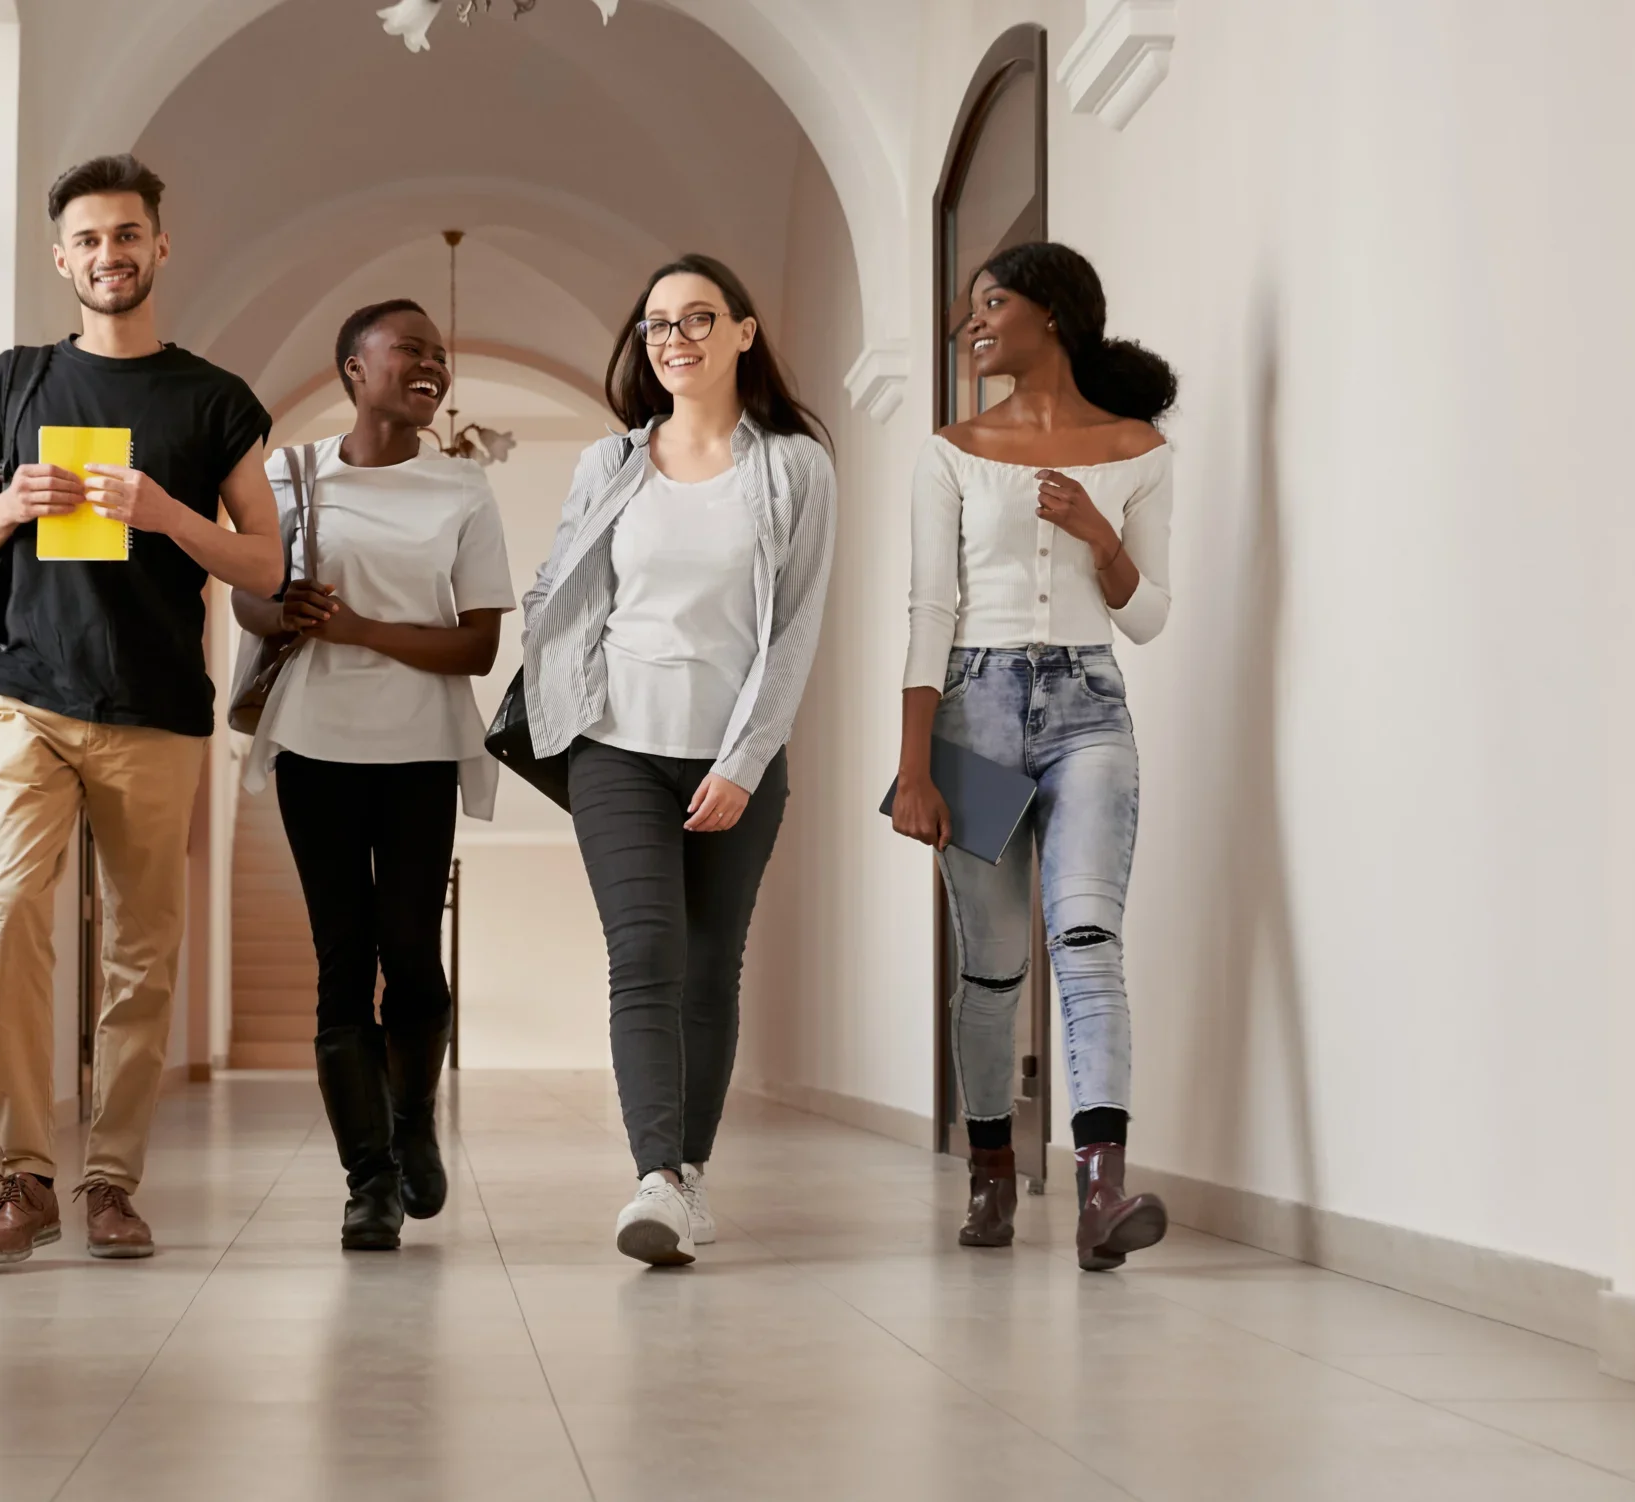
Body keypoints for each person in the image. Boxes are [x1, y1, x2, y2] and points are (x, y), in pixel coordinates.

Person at [0, 155, 283, 1263]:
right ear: (61, 258)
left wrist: (167, 512)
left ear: (158, 247)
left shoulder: (214, 400)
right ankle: (23, 1172)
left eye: (126, 235)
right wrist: (8, 509)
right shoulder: (13, 383)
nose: (108, 255)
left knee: (142, 952)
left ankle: (110, 1183)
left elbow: (266, 567)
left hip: (155, 706)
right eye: (87, 240)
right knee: (6, 903)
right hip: (25, 691)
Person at [523, 255, 837, 1267]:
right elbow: (557, 588)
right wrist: (564, 695)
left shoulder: (791, 466)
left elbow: (793, 630)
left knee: (710, 969)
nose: (675, 339)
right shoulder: (608, 464)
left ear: (744, 332)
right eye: (657, 324)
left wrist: (745, 759)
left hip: (735, 754)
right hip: (616, 745)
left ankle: (690, 1173)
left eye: (698, 318)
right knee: (644, 957)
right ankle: (653, 1176)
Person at [890, 240, 1177, 1272]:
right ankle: (990, 1174)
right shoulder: (950, 449)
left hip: (1090, 705)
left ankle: (1102, 1190)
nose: (974, 322)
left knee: (1090, 942)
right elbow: (928, 608)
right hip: (970, 707)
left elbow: (1146, 617)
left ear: (1047, 312)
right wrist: (914, 766)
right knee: (994, 969)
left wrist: (1101, 535)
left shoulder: (1139, 449)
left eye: (991, 302)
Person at [232, 301, 513, 1251]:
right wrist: (281, 612)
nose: (431, 363)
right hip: (314, 741)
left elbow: (477, 644)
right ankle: (369, 1183)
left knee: (413, 958)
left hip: (420, 749)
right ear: (356, 369)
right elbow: (246, 591)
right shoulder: (290, 471)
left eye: (439, 351)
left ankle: (410, 1117)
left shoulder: (462, 488)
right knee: (342, 963)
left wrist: (357, 630)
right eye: (409, 350)